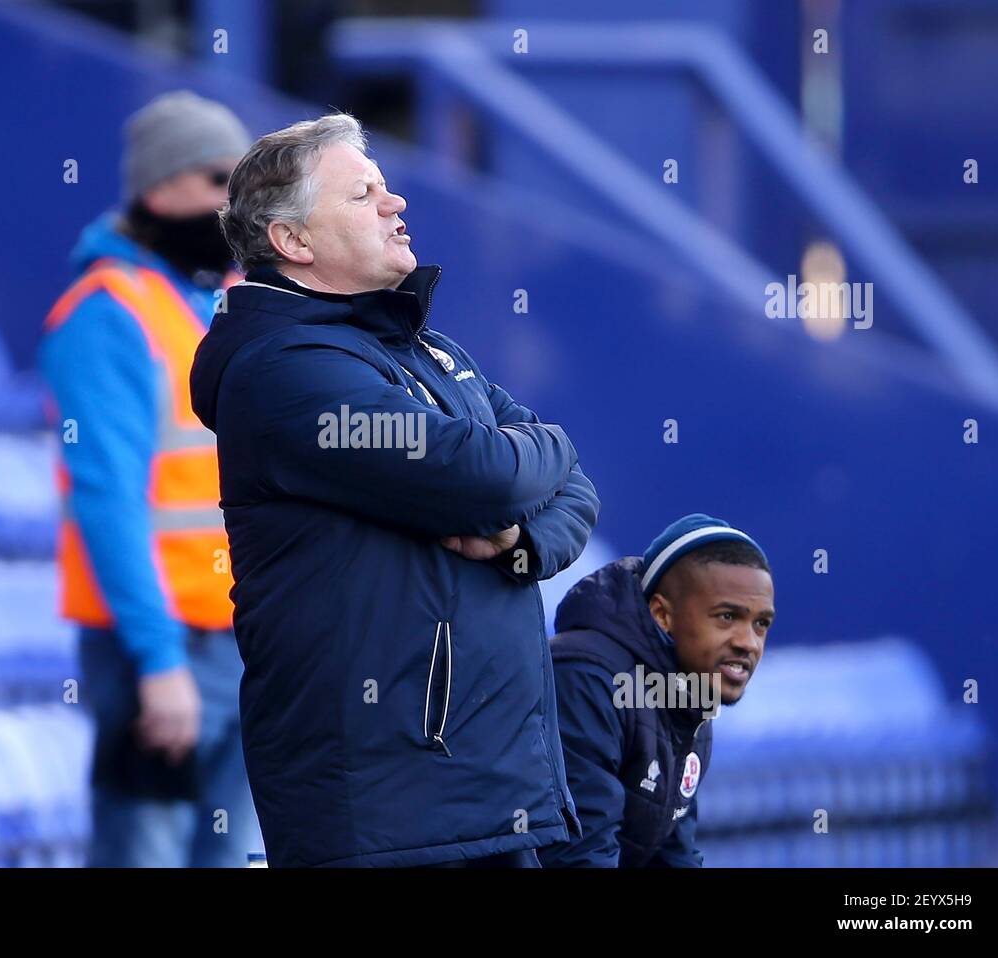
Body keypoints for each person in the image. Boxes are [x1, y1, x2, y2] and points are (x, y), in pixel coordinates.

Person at [188, 112, 601, 867]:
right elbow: (488, 476)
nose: (395, 204)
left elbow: (570, 490)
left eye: (385, 187)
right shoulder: (286, 368)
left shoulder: (426, 349)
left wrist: (523, 544)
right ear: (294, 242)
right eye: (362, 194)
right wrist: (548, 448)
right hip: (389, 818)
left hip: (489, 794)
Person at [39, 90, 261, 867]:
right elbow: (107, 500)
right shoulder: (109, 313)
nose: (236, 205)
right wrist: (157, 662)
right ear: (158, 190)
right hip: (159, 646)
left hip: (243, 640)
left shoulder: (220, 305)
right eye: (218, 181)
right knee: (147, 854)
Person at [539, 514, 774, 867]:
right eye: (727, 617)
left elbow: (671, 854)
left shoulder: (692, 694)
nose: (748, 643)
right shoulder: (586, 679)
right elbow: (577, 857)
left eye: (761, 624)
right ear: (662, 614)